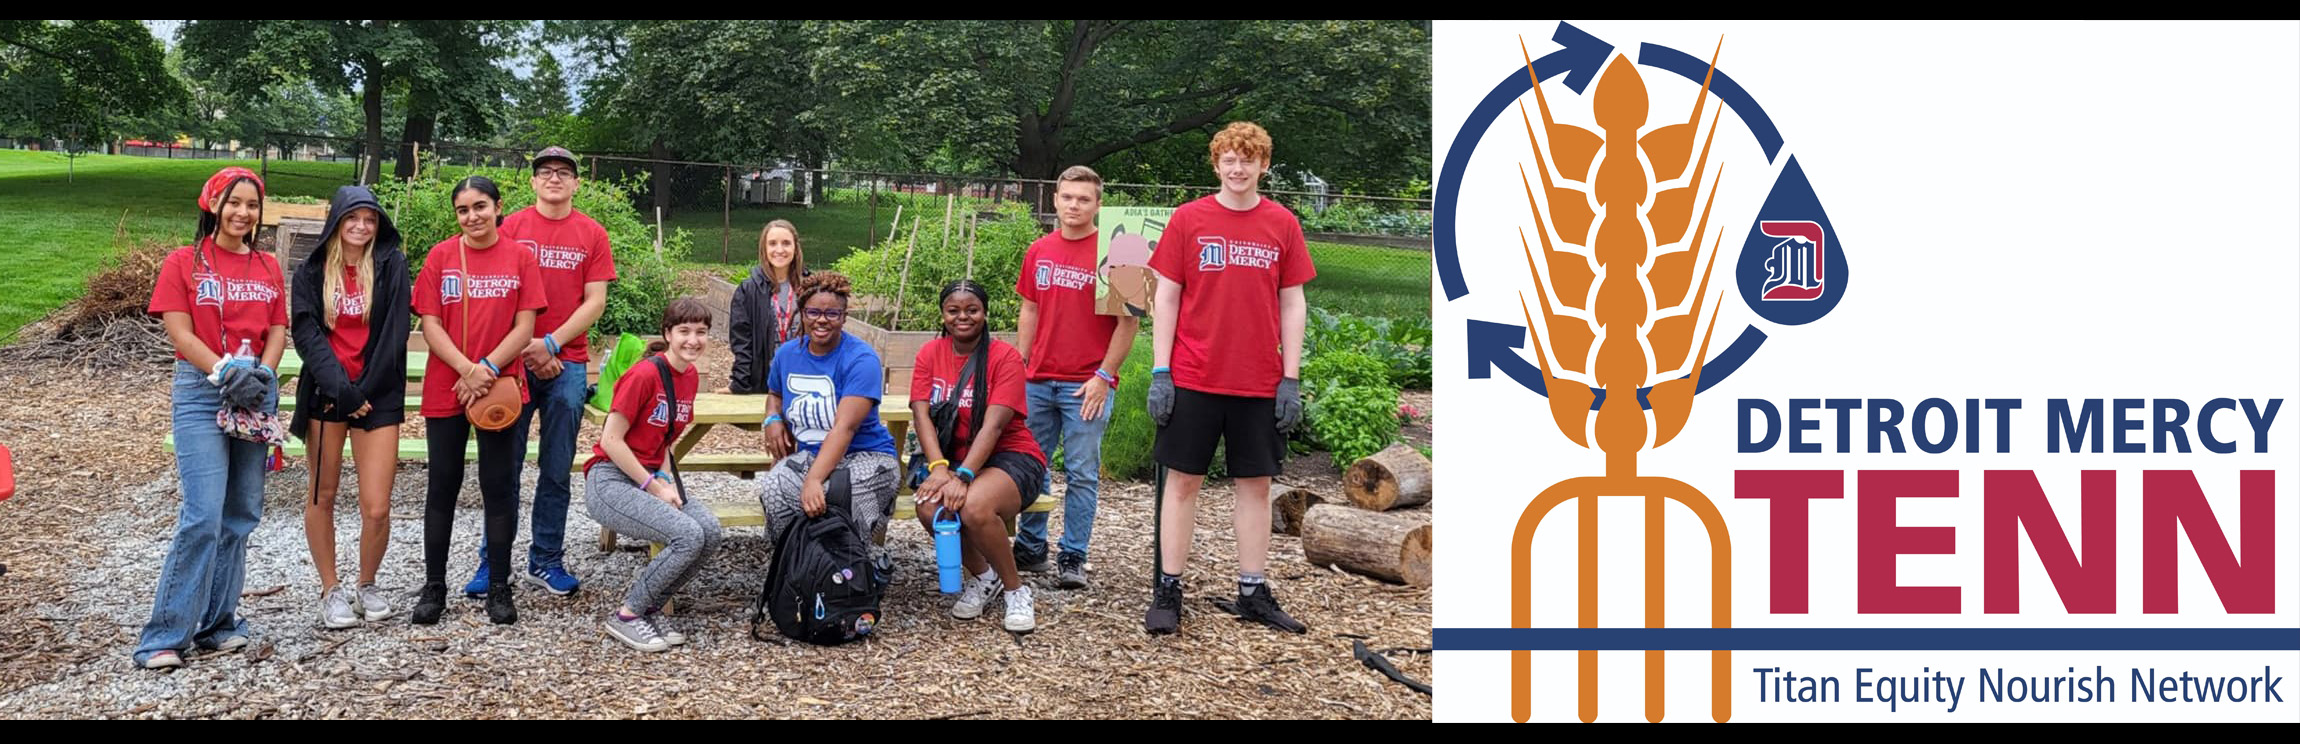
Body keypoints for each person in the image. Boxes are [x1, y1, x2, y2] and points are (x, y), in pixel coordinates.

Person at [1143, 121, 1315, 635]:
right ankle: (1169, 588)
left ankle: (1252, 590)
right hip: (1194, 375)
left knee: (1256, 487)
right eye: (1229, 160)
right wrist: (1161, 371)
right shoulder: (1189, 220)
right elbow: (1167, 296)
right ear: (1216, 164)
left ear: (1263, 165)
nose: (1238, 168)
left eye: (1248, 159)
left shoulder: (1282, 224)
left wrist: (1290, 379)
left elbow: (1293, 301)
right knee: (1183, 483)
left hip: (1259, 381)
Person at [135, 166, 288, 669]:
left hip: (255, 392)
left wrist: (262, 375)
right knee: (202, 513)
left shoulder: (267, 266)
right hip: (202, 391)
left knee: (241, 514)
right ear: (212, 204)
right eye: (234, 202)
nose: (243, 213)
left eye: (252, 205)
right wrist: (225, 372)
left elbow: (277, 330)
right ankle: (163, 635)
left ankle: (219, 623)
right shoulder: (184, 262)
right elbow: (179, 332)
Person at [469, 146, 616, 598]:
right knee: (503, 466)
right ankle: (493, 562)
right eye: (545, 172)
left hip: (566, 363)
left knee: (555, 468)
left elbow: (595, 301)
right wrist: (526, 348)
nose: (554, 178)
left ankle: (546, 559)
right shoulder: (510, 227)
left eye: (564, 172)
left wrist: (551, 343)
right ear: (532, 182)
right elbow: (497, 292)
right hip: (512, 361)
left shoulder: (591, 234)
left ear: (576, 183)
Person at [410, 176, 547, 627]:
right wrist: (466, 370)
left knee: (498, 486)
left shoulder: (520, 257)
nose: (473, 216)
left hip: (500, 386)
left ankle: (500, 586)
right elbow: (430, 325)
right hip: (448, 385)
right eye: (464, 209)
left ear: (498, 207)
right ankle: (434, 586)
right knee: (442, 486)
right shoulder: (442, 256)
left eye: (481, 206)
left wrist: (485, 369)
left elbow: (525, 328)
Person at [288, 185, 410, 629]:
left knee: (377, 505)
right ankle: (331, 589)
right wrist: (342, 390)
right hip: (326, 394)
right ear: (337, 221)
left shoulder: (391, 265)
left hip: (377, 395)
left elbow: (395, 333)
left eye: (370, 219)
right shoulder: (312, 270)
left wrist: (363, 392)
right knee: (323, 494)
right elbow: (307, 335)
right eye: (352, 218)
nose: (361, 226)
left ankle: (368, 583)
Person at [1011, 165, 1137, 589]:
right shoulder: (1039, 250)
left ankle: (1073, 555)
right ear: (1055, 200)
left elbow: (1129, 323)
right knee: (1032, 465)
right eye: (1067, 197)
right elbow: (1029, 308)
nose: (1074, 205)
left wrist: (1105, 375)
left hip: (1087, 383)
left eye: (1084, 199)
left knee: (1082, 472)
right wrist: (1020, 364)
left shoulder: (1117, 252)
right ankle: (1031, 545)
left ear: (1098, 204)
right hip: (1038, 379)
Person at [910, 280, 1048, 632]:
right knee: (928, 505)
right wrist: (940, 469)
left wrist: (964, 476)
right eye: (953, 310)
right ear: (942, 314)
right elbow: (922, 415)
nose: (963, 317)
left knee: (972, 506)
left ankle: (1015, 589)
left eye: (972, 310)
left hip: (1010, 456)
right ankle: (985, 577)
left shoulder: (1004, 357)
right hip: (953, 459)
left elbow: (995, 425)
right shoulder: (930, 354)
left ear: (985, 314)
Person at [584, 298, 719, 653]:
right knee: (687, 535)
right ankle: (627, 615)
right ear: (667, 334)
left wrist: (665, 478)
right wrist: (653, 485)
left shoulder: (689, 377)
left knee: (709, 531)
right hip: (611, 479)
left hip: (650, 477)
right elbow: (610, 441)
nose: (693, 340)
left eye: (701, 332)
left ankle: (651, 607)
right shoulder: (644, 375)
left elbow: (665, 440)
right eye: (684, 331)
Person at [758, 272, 901, 554]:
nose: (821, 320)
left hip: (867, 456)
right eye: (813, 312)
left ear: (844, 316)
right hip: (810, 455)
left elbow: (844, 428)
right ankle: (794, 570)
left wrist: (812, 480)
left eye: (832, 313)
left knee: (830, 501)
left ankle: (851, 575)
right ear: (802, 313)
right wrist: (773, 418)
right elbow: (774, 394)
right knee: (774, 490)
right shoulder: (787, 355)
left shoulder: (861, 359)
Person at [725, 219, 805, 395]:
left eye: (786, 243)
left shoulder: (811, 288)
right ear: (764, 249)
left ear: (795, 248)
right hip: (765, 381)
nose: (779, 250)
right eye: (772, 243)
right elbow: (741, 341)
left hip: (806, 378)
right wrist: (739, 382)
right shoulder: (749, 290)